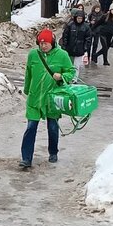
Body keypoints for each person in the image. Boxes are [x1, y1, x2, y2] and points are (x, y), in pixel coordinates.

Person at [21, 29, 77, 168]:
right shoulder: (33, 54)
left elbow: (71, 72)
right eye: (41, 43)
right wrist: (27, 89)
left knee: (52, 127)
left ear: (52, 42)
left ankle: (53, 152)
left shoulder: (62, 55)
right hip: (35, 98)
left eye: (46, 43)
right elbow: (28, 73)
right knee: (30, 127)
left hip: (52, 98)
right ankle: (26, 158)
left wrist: (62, 77)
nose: (43, 46)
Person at [60, 9, 93, 77]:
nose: (79, 20)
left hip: (80, 50)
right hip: (70, 49)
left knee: (76, 66)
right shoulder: (70, 25)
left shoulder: (86, 27)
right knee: (69, 65)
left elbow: (88, 39)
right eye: (78, 18)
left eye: (81, 18)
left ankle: (74, 78)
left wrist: (85, 48)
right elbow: (65, 36)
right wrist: (64, 46)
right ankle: (69, 77)